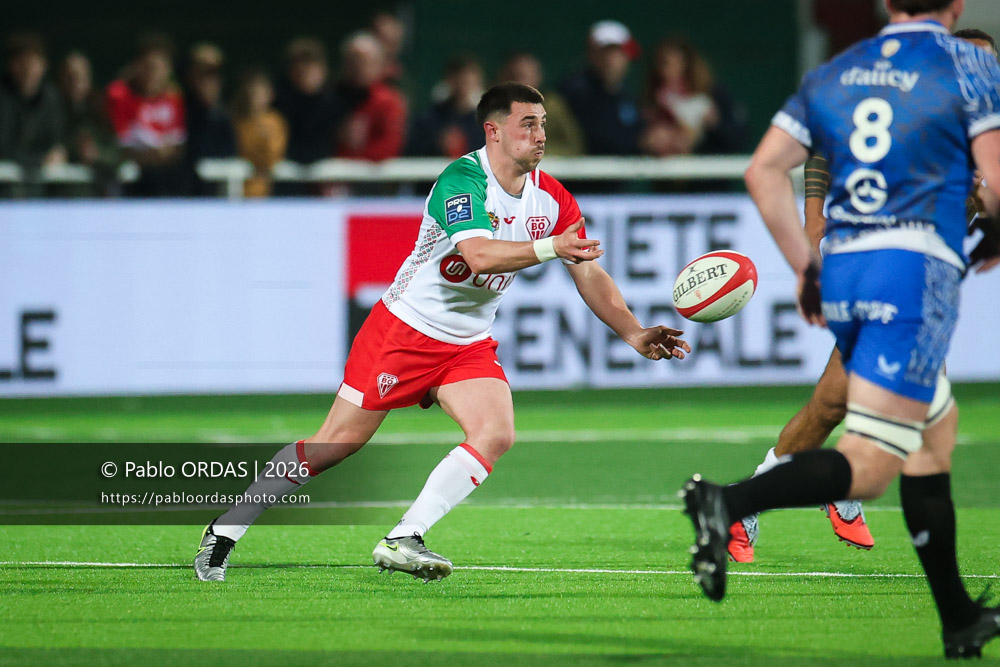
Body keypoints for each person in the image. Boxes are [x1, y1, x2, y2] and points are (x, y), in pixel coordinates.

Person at [196, 82, 691, 583]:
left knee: (496, 433)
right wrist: (549, 248)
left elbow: (587, 269)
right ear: (493, 131)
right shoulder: (463, 179)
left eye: (542, 123)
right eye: (528, 123)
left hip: (467, 343)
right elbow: (478, 254)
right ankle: (228, 525)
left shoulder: (552, 198)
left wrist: (631, 331)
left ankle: (405, 536)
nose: (541, 135)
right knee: (333, 446)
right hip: (403, 331)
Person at [680, 0, 1000, 659]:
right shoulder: (969, 66)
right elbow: (994, 183)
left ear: (887, 5)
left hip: (850, 267)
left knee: (932, 433)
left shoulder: (844, 69)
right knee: (872, 461)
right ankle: (727, 502)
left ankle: (960, 617)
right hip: (910, 271)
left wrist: (806, 260)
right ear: (957, 8)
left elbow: (761, 168)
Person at [727, 26, 1000, 565]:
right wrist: (812, 224)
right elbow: (822, 149)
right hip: (886, 271)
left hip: (915, 278)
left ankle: (766, 498)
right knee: (919, 425)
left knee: (834, 402)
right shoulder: (915, 108)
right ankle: (749, 501)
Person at [105, 34, 187, 197]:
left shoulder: (175, 98)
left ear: (168, 69)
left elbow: (179, 144)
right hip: (132, 177)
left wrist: (168, 153)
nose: (152, 73)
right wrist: (150, 156)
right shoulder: (120, 96)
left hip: (168, 177)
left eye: (157, 67)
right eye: (147, 66)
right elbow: (119, 146)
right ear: (136, 66)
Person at [641, 37, 746, 158]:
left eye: (675, 63)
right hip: (662, 172)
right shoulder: (650, 100)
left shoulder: (708, 99)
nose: (667, 70)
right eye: (663, 63)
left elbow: (736, 139)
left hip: (703, 171)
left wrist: (716, 125)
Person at [558, 20, 643, 156]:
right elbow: (593, 138)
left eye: (619, 53)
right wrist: (640, 141)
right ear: (592, 53)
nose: (613, 60)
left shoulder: (626, 94)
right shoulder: (575, 91)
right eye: (608, 53)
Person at [333, 31, 407, 162]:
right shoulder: (329, 98)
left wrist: (352, 158)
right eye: (353, 61)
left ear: (378, 65)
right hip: (331, 177)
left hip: (374, 179)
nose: (358, 68)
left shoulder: (389, 102)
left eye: (364, 62)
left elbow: (390, 147)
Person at [0, 32, 66, 171]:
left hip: (41, 185)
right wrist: (39, 160)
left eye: (33, 62)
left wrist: (57, 153)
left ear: (44, 65)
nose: (28, 69)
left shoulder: (51, 97)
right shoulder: (3, 96)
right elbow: (3, 147)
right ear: (11, 65)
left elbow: (55, 140)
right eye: (22, 63)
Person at [57, 51, 120, 196]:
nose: (75, 82)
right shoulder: (52, 110)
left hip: (95, 198)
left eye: (80, 77)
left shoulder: (101, 111)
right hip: (58, 197)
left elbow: (118, 151)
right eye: (69, 77)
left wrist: (98, 155)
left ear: (89, 79)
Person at [497, 52, 583, 157]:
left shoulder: (553, 107)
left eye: (526, 77)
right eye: (515, 76)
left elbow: (573, 145)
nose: (521, 83)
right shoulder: (493, 108)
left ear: (538, 77)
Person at [182, 43, 236, 196]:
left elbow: (229, 154)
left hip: (214, 196)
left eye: (214, 75)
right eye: (203, 74)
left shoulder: (223, 115)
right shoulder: (176, 106)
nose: (208, 82)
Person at [407, 54, 484, 159]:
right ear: (448, 79)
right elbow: (414, 152)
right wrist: (438, 143)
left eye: (468, 77)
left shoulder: (484, 122)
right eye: (458, 76)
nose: (463, 81)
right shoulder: (429, 118)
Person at [232, 68, 287, 198]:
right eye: (251, 91)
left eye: (259, 92)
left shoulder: (274, 122)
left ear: (270, 94)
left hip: (269, 189)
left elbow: (273, 155)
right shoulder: (236, 121)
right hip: (237, 187)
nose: (254, 97)